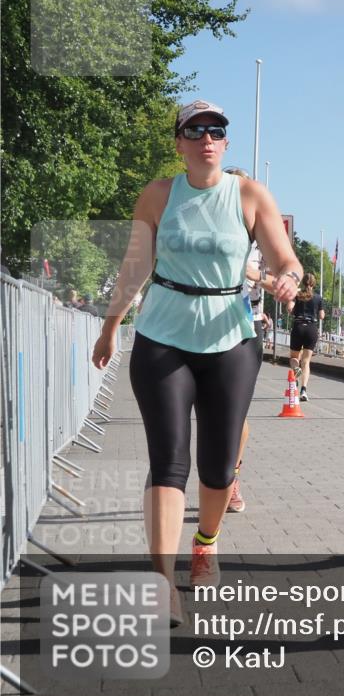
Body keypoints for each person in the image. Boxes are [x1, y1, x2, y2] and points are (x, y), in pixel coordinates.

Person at [91, 100, 301, 626]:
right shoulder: (159, 195)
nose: (207, 138)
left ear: (226, 142)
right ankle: (162, 581)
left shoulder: (249, 195)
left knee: (218, 465)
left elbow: (285, 257)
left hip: (230, 341)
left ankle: (206, 540)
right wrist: (111, 325)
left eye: (216, 130)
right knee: (169, 461)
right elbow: (135, 265)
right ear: (179, 142)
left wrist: (289, 278)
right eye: (195, 130)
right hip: (163, 338)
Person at [223, 166, 278, 514]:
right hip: (204, 327)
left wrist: (250, 271)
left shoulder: (261, 241)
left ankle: (231, 477)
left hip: (247, 328)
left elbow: (279, 279)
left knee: (235, 412)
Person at [286, 273, 324, 401]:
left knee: (294, 358)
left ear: (303, 282)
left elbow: (289, 309)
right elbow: (322, 316)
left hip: (298, 328)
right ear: (314, 283)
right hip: (311, 329)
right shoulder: (318, 298)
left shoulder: (297, 295)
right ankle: (303, 390)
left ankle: (297, 373)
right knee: (306, 361)